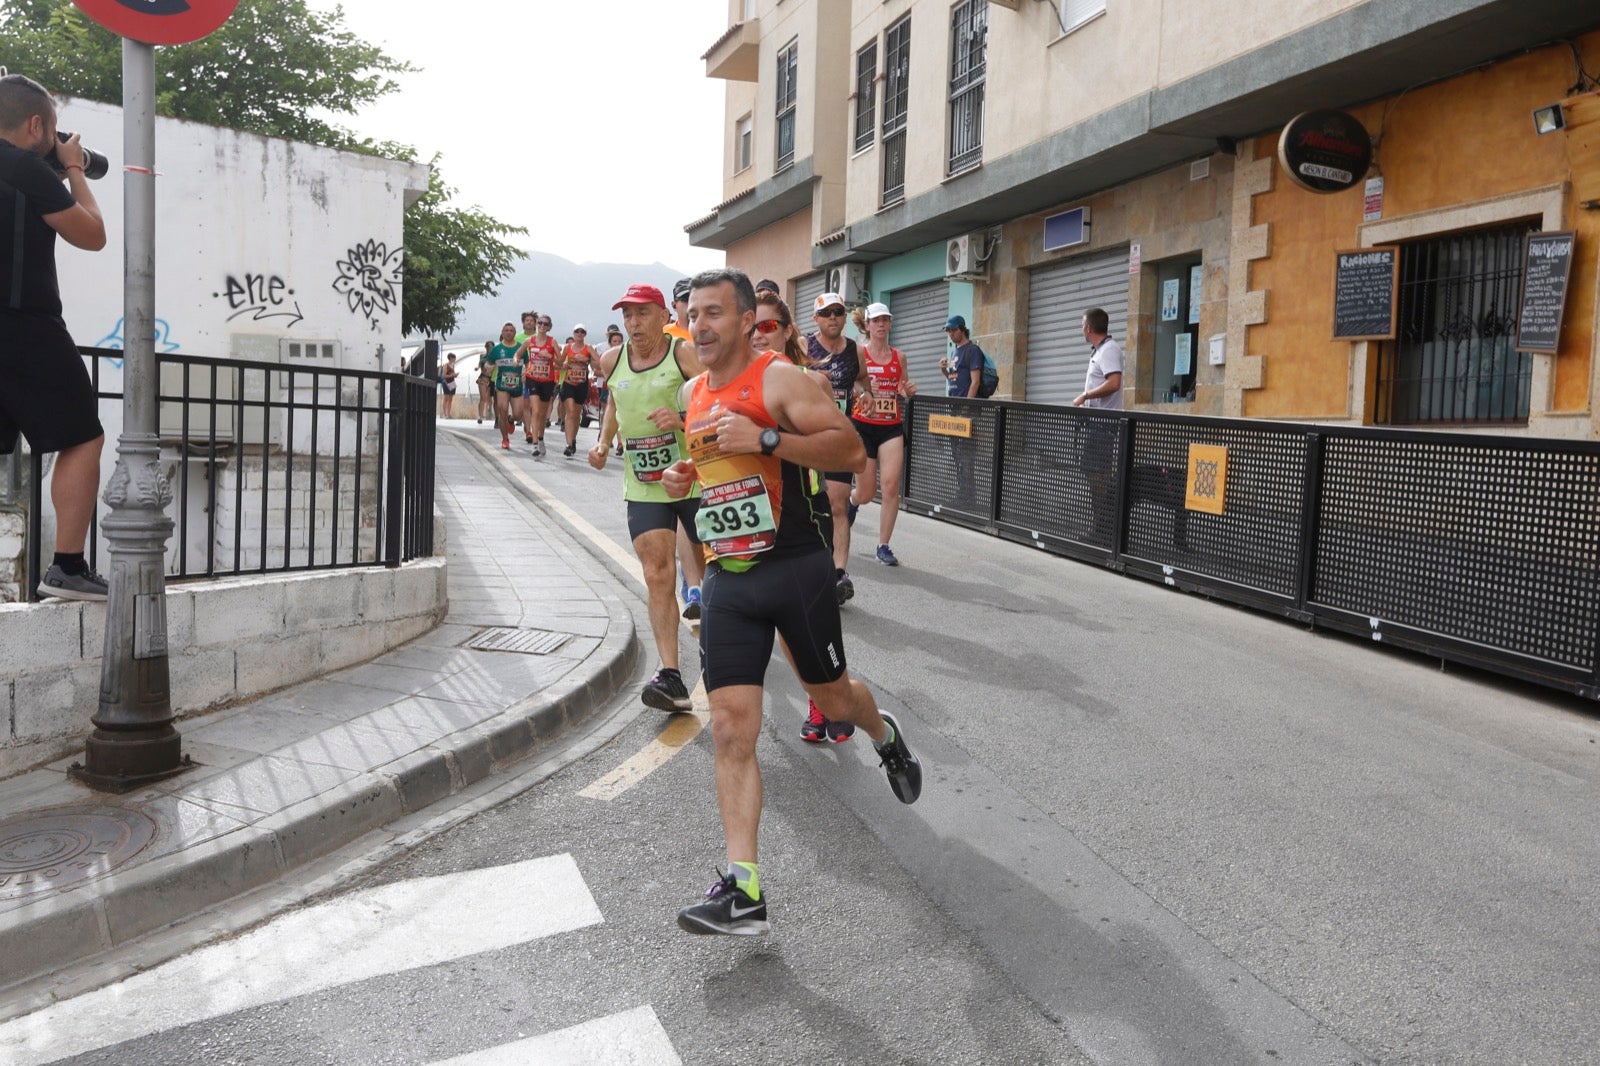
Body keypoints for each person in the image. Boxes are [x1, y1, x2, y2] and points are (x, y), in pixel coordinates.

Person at [663, 268, 921, 936]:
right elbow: (712, 474)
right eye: (695, 314)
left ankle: (884, 733)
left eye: (716, 313)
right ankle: (743, 889)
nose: (702, 326)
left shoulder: (781, 380)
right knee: (729, 726)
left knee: (833, 697)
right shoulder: (692, 391)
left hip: (795, 570)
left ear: (750, 320)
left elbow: (851, 449)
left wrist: (769, 439)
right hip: (728, 577)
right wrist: (685, 477)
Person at [0, 74, 110, 601]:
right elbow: (93, 235)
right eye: (52, 130)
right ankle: (66, 567)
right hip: (23, 322)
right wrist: (72, 167)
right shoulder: (23, 166)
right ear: (37, 124)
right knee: (82, 436)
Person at [587, 283, 707, 712]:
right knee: (657, 572)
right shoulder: (610, 360)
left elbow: (714, 400)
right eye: (627, 316)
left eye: (641, 315)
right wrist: (603, 443)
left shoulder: (682, 354)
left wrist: (679, 418)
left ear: (662, 316)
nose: (633, 324)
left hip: (694, 476)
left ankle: (718, 641)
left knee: (716, 567)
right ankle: (671, 674)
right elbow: (617, 404)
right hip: (643, 481)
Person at [758, 290, 857, 745]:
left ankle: (833, 701)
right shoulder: (722, 384)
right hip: (755, 521)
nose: (758, 337)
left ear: (786, 331)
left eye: (767, 327)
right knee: (785, 624)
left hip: (805, 517)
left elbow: (840, 446)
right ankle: (817, 701)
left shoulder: (810, 381)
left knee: (814, 626)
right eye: (750, 327)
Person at [848, 302, 916, 567]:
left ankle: (883, 545)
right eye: (875, 321)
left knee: (890, 486)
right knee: (866, 492)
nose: (880, 325)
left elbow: (904, 387)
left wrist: (908, 389)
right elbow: (849, 385)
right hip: (863, 425)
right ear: (867, 325)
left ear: (889, 324)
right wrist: (863, 387)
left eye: (885, 320)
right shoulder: (859, 353)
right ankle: (853, 502)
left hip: (891, 426)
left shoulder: (899, 356)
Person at [806, 292, 861, 606]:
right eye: (826, 313)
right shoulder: (804, 346)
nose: (833, 318)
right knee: (815, 505)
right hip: (809, 438)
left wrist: (864, 395)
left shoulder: (855, 351)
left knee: (838, 505)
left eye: (838, 312)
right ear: (816, 318)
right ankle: (813, 567)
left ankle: (840, 574)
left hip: (840, 437)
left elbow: (863, 382)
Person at [1073, 307, 1124, 542]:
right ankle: (1099, 528)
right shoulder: (1100, 351)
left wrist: (1086, 396)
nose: (1082, 329)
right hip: (1096, 423)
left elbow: (1114, 383)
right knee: (1092, 475)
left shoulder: (1109, 350)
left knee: (1099, 478)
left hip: (1103, 425)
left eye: (1083, 325)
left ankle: (1102, 530)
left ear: (1089, 328)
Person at [940, 315, 984, 505]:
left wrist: (967, 408)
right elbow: (953, 378)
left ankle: (968, 495)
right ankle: (963, 492)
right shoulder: (955, 352)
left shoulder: (972, 350)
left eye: (952, 330)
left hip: (966, 411)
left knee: (966, 454)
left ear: (961, 329)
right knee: (957, 452)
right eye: (948, 331)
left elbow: (975, 382)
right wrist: (943, 370)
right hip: (955, 407)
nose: (950, 334)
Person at [484, 324, 528, 449]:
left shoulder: (521, 348)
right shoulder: (497, 349)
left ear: (515, 333)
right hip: (502, 386)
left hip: (517, 386)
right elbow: (488, 364)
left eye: (511, 330)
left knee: (519, 414)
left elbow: (528, 363)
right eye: (506, 330)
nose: (508, 333)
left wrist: (526, 373)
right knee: (502, 410)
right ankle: (505, 439)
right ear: (502, 333)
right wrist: (489, 368)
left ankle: (511, 420)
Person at [522, 313, 560, 455]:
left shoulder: (552, 342)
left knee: (542, 414)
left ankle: (541, 438)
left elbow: (561, 361)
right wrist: (515, 360)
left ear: (549, 327)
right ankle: (535, 443)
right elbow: (518, 354)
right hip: (532, 379)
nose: (542, 326)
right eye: (540, 323)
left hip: (547, 381)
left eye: (545, 324)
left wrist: (551, 357)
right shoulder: (529, 341)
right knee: (536, 411)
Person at [557, 325, 594, 458]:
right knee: (571, 411)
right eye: (577, 331)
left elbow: (598, 363)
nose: (579, 333)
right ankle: (568, 444)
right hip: (568, 383)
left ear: (585, 334)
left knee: (576, 414)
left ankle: (573, 440)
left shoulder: (588, 348)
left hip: (582, 384)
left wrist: (588, 360)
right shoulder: (567, 348)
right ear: (573, 333)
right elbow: (558, 364)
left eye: (582, 331)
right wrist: (563, 365)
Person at [665, 278, 693, 344]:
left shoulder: (713, 334)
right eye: (686, 299)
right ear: (674, 306)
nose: (692, 304)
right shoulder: (663, 335)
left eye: (695, 298)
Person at [476, 340, 494, 423]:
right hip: (483, 378)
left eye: (491, 346)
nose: (489, 348)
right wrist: (477, 367)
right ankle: (480, 415)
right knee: (483, 398)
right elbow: (479, 364)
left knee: (490, 399)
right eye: (488, 346)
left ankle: (489, 413)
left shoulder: (495, 357)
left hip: (492, 379)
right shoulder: (483, 356)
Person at [440, 352, 458, 418]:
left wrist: (455, 375)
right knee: (446, 398)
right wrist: (452, 375)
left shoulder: (453, 365)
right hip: (446, 382)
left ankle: (449, 413)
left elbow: (453, 374)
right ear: (450, 358)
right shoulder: (446, 365)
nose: (455, 359)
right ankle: (445, 414)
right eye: (454, 358)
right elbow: (444, 375)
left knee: (450, 399)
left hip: (452, 382)